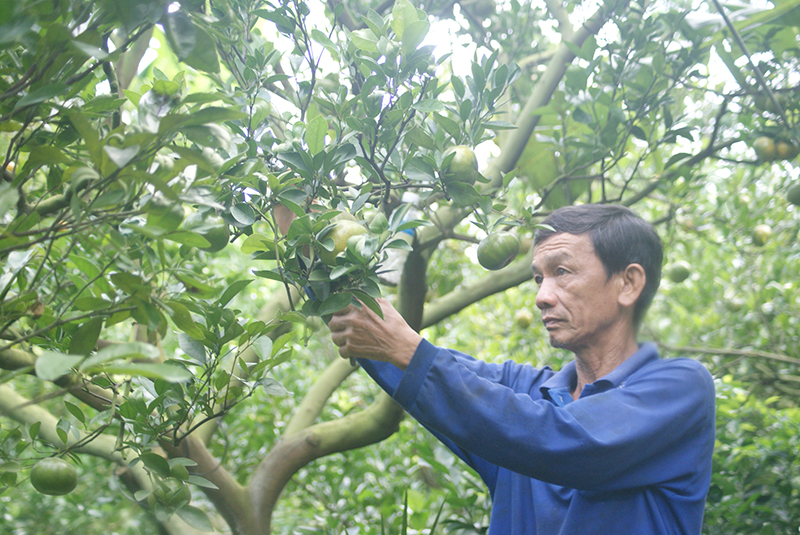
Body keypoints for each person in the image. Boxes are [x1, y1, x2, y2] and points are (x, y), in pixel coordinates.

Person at [327, 204, 715, 535]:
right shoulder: (527, 393)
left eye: (562, 272)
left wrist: (408, 351)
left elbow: (565, 442)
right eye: (538, 278)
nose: (542, 296)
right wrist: (312, 246)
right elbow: (407, 363)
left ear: (628, 283)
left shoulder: (680, 390)